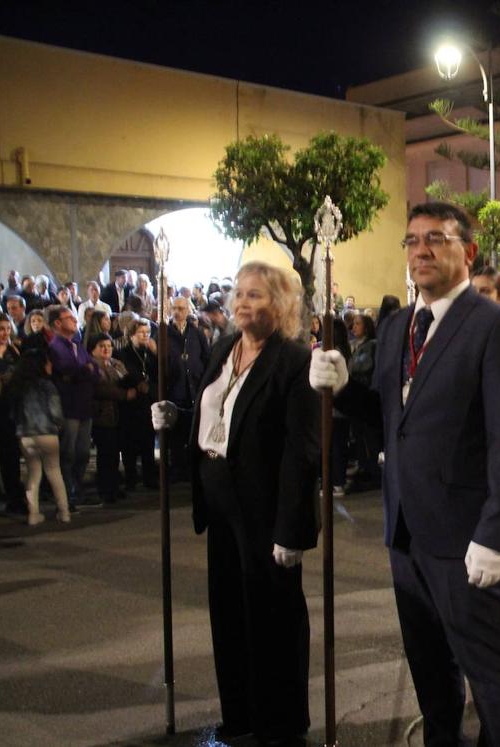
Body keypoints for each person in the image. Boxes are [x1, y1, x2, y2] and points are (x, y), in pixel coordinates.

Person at [310, 201, 500, 745]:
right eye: (412, 240)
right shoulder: (396, 328)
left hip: (466, 536)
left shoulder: (496, 328)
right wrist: (343, 390)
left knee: (488, 672)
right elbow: (393, 416)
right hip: (406, 533)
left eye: (437, 238)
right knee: (430, 671)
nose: (422, 250)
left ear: (469, 251)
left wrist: (494, 534)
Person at [152, 262, 320, 744]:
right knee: (229, 611)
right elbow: (219, 412)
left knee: (272, 617)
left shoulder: (292, 360)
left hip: (265, 507)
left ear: (282, 304)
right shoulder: (226, 347)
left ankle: (280, 722)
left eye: (257, 296)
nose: (243, 303)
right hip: (219, 498)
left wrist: (291, 529)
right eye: (239, 294)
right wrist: (175, 417)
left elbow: (302, 450)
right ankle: (241, 713)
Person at [8, 339, 70, 525]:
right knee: (54, 471)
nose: (51, 364)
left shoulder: (18, 387)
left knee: (33, 473)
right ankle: (64, 511)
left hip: (26, 434)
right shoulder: (47, 386)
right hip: (47, 432)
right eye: (48, 362)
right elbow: (55, 411)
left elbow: (13, 414)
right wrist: (59, 424)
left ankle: (33, 513)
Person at [46, 304, 98, 508]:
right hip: (69, 407)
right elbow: (68, 369)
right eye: (70, 318)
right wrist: (84, 370)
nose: (75, 320)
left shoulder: (77, 344)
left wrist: (85, 370)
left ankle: (77, 487)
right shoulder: (55, 347)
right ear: (58, 323)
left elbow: (92, 371)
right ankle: (67, 491)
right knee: (68, 452)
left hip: (84, 405)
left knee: (83, 452)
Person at [0, 311, 27, 515]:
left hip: (11, 409)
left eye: (8, 329)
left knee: (10, 455)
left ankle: (15, 498)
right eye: (0, 329)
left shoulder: (14, 350)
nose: (5, 333)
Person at [165, 295, 210, 481]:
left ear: (188, 310)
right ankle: (177, 469)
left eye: (181, 308)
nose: (177, 312)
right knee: (175, 433)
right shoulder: (164, 333)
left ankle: (193, 467)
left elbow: (206, 359)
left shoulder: (196, 333)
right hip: (175, 389)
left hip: (194, 388)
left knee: (194, 430)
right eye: (174, 308)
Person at [89, 333, 135, 504]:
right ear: (93, 350)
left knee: (115, 453)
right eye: (102, 346)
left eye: (109, 346)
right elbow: (101, 389)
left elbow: (127, 378)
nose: (106, 349)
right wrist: (124, 394)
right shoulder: (92, 366)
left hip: (120, 414)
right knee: (105, 454)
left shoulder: (117, 363)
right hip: (102, 414)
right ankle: (105, 488)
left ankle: (115, 486)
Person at [116, 318, 158, 490]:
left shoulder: (149, 353)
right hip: (131, 403)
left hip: (147, 402)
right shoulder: (123, 353)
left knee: (148, 441)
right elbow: (123, 373)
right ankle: (131, 478)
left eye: (147, 333)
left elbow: (161, 372)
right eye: (141, 333)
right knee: (129, 443)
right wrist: (138, 382)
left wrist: (156, 354)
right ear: (132, 335)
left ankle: (150, 478)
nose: (145, 336)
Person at [347, 313, 379, 491]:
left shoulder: (370, 345)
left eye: (358, 324)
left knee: (368, 435)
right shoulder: (357, 345)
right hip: (356, 395)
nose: (354, 327)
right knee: (359, 435)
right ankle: (363, 465)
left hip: (365, 392)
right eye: (354, 324)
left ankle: (371, 469)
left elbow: (363, 365)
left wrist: (348, 367)